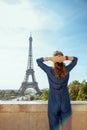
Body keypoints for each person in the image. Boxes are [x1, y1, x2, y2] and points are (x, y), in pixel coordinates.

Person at [36, 51, 78, 130]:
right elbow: (75, 60)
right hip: (65, 101)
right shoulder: (67, 69)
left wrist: (51, 58)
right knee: (66, 128)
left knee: (53, 128)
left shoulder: (49, 70)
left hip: (53, 102)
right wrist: (65, 58)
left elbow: (38, 61)